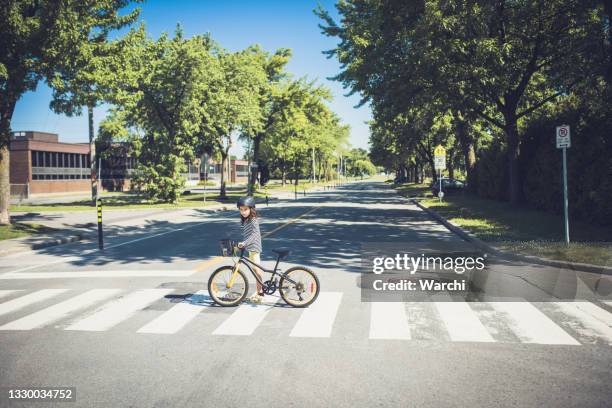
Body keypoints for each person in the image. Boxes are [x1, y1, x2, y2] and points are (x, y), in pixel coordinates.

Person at [236, 196, 264, 303]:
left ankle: (260, 292)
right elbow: (247, 234)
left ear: (251, 209)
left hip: (254, 247)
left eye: (245, 209)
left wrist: (245, 243)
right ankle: (259, 291)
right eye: (241, 209)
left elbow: (255, 234)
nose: (243, 212)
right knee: (256, 270)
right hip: (250, 248)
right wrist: (243, 244)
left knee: (257, 270)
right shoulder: (246, 220)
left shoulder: (253, 220)